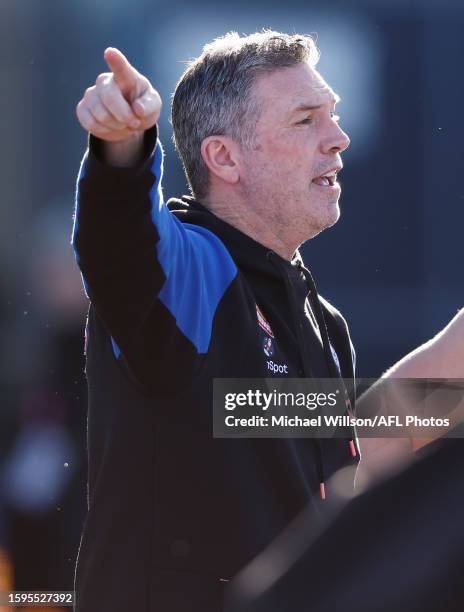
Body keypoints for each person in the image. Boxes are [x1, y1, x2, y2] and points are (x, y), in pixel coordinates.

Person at [73, 31, 463, 611]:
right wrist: (121, 145)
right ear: (223, 157)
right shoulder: (190, 267)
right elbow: (118, 233)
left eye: (331, 115)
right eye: (305, 120)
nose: (338, 138)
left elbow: (366, 433)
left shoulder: (318, 319)